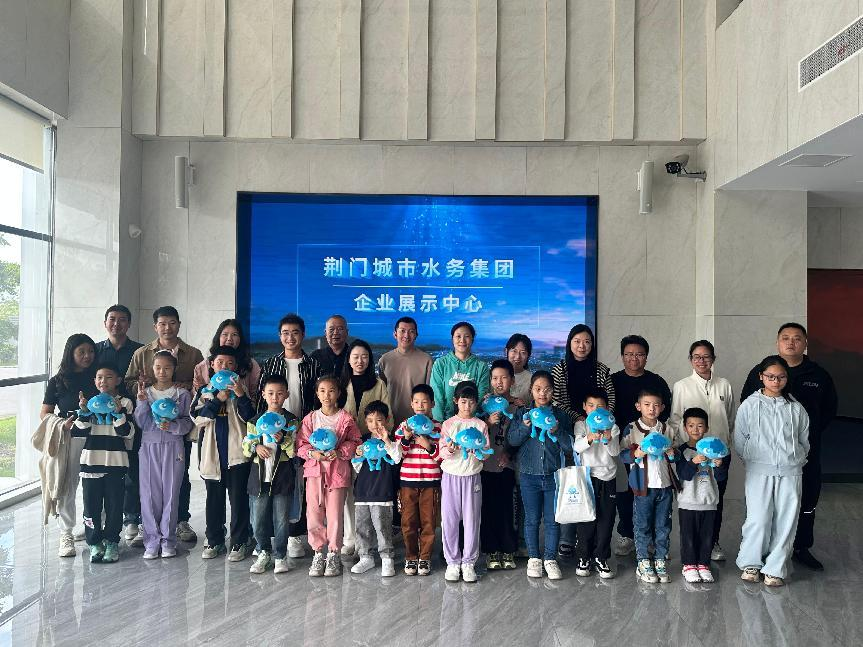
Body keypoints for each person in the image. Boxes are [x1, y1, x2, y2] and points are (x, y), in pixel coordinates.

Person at [740, 323, 837, 571]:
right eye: (785, 338)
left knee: (803, 502)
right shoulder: (760, 372)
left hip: (802, 453)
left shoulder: (818, 375)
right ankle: (759, 553)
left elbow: (829, 409)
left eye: (796, 338)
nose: (791, 342)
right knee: (761, 511)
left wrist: (803, 442)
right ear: (777, 342)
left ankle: (800, 548)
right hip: (763, 460)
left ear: (805, 343)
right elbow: (745, 416)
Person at [125, 306, 204, 544]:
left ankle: (180, 521)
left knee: (179, 477)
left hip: (177, 429)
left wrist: (185, 387)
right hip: (150, 427)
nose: (167, 328)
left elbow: (200, 383)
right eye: (162, 323)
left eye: (172, 323)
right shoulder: (142, 353)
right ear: (155, 326)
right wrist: (144, 389)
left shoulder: (193, 354)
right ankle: (146, 524)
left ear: (179, 324)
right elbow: (128, 383)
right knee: (147, 479)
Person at [736, 356, 810, 587]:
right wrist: (753, 459)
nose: (775, 381)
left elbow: (803, 440)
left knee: (786, 520)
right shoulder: (749, 405)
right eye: (770, 376)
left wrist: (795, 459)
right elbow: (740, 438)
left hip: (791, 470)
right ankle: (751, 563)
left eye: (781, 377)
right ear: (761, 377)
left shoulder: (796, 408)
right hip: (759, 470)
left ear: (787, 378)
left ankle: (775, 568)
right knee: (758, 518)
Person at [256, 313, 323, 558]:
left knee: (299, 484)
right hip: (274, 435)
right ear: (279, 336)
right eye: (285, 333)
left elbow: (319, 401)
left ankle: (295, 534)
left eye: (295, 333)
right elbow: (260, 401)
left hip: (303, 431)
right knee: (275, 483)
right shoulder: (270, 364)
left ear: (303, 335)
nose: (290, 337)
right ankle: (269, 539)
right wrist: (260, 435)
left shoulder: (313, 365)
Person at [667, 340, 736, 562]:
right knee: (691, 499)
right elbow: (676, 419)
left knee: (715, 499)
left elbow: (730, 417)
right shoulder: (681, 386)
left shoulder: (724, 385)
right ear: (690, 360)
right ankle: (692, 547)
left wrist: (725, 446)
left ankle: (712, 542)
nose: (701, 361)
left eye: (706, 356)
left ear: (713, 359)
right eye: (696, 357)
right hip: (692, 453)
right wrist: (681, 449)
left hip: (719, 454)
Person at [552, 324, 615, 557]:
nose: (582, 346)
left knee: (593, 489)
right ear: (570, 343)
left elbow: (610, 400)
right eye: (577, 341)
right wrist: (579, 418)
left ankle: (592, 540)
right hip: (569, 430)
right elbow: (557, 401)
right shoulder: (559, 369)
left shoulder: (601, 370)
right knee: (571, 483)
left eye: (587, 341)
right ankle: (568, 538)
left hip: (597, 432)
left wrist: (599, 422)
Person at [609, 335, 671, 559]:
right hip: (622, 444)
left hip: (652, 447)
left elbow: (666, 411)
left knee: (653, 491)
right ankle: (627, 534)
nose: (634, 358)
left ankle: (651, 538)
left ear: (646, 356)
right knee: (626, 491)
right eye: (629, 354)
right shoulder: (613, 381)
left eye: (639, 354)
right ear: (622, 356)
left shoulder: (656, 381)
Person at [190, 346, 255, 561]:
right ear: (212, 365)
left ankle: (239, 541)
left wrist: (240, 396)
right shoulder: (204, 391)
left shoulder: (241, 390)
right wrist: (217, 399)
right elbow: (197, 418)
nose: (224, 367)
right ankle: (214, 539)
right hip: (212, 456)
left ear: (235, 367)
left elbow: (252, 419)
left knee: (239, 500)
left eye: (229, 363)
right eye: (220, 363)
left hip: (238, 456)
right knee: (214, 501)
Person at [508, 371, 573, 581]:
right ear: (531, 390)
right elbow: (512, 441)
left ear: (553, 391)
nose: (542, 393)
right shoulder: (523, 414)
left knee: (553, 520)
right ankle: (534, 558)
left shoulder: (560, 416)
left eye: (547, 389)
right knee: (532, 519)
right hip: (529, 475)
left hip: (553, 475)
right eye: (538, 389)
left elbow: (570, 446)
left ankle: (550, 559)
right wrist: (524, 427)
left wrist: (557, 431)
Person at [40, 333, 98, 557]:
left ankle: (95, 527)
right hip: (70, 439)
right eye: (81, 352)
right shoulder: (58, 381)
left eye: (90, 351)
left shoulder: (99, 376)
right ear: (70, 353)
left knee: (97, 485)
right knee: (68, 487)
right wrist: (60, 423)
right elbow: (45, 413)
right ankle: (66, 533)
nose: (87, 356)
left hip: (97, 438)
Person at [296, 376, 361, 577]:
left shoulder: (346, 419)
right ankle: (318, 553)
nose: (327, 395)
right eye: (322, 391)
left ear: (339, 393)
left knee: (334, 515)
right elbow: (300, 444)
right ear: (317, 394)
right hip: (314, 473)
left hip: (337, 474)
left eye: (331, 390)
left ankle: (333, 554)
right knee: (314, 514)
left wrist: (340, 452)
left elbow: (356, 442)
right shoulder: (310, 419)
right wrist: (312, 453)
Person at [133, 350, 193, 559]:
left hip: (174, 447)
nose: (162, 372)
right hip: (149, 446)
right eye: (158, 367)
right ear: (152, 368)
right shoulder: (145, 393)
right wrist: (142, 403)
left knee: (171, 494)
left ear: (174, 369)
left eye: (167, 368)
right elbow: (141, 423)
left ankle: (168, 541)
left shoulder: (182, 394)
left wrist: (173, 426)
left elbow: (188, 422)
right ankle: (151, 541)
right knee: (149, 495)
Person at [75, 362, 135, 563]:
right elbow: (79, 431)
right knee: (91, 507)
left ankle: (111, 542)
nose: (103, 381)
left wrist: (118, 413)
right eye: (99, 377)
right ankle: (94, 543)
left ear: (118, 380)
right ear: (95, 381)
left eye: (109, 377)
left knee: (115, 506)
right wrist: (83, 412)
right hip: (91, 462)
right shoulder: (89, 404)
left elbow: (128, 433)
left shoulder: (125, 403)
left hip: (116, 463)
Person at [96, 305, 145, 549]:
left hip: (131, 417)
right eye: (112, 319)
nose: (117, 324)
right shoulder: (95, 350)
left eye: (122, 320)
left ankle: (131, 518)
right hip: (100, 423)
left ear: (129, 324)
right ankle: (98, 519)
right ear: (105, 322)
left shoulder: (139, 351)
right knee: (100, 470)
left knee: (132, 469)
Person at [340, 339, 394, 556]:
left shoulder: (378, 384)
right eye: (355, 356)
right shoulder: (341, 383)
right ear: (349, 359)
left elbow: (388, 415)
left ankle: (372, 541)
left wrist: (380, 436)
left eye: (364, 356)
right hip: (346, 445)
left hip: (373, 448)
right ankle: (351, 538)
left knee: (370, 493)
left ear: (370, 359)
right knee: (349, 493)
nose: (360, 361)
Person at [620, 389, 678, 584]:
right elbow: (622, 454)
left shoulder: (667, 429)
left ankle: (660, 560)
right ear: (638, 406)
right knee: (642, 525)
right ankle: (643, 561)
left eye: (656, 405)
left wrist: (672, 453)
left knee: (663, 526)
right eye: (647, 404)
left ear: (662, 407)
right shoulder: (631, 429)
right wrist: (635, 454)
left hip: (665, 486)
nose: (651, 409)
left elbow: (676, 455)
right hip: (643, 488)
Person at [244, 375, 299, 575]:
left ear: (286, 395)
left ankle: (280, 555)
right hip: (259, 477)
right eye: (271, 393)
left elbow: (293, 452)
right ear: (263, 395)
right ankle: (263, 552)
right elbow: (246, 447)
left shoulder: (291, 421)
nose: (275, 397)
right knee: (257, 519)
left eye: (279, 393)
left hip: (283, 476)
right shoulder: (254, 421)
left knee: (281, 519)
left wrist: (283, 439)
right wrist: (256, 447)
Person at [438, 380, 489, 583]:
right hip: (451, 477)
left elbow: (486, 453)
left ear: (476, 403)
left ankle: (468, 562)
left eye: (472, 402)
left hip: (472, 478)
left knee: (472, 521)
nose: (467, 406)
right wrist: (450, 449)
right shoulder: (448, 424)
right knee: (449, 520)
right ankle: (452, 562)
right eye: (463, 401)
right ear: (456, 401)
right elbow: (441, 451)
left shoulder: (481, 425)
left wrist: (478, 451)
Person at [674, 407, 729, 584]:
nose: (695, 429)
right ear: (685, 427)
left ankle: (703, 564)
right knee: (688, 535)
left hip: (709, 501)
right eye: (691, 425)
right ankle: (689, 565)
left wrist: (719, 465)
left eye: (700, 425)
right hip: (688, 501)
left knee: (707, 536)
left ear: (706, 428)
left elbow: (721, 477)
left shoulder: (715, 448)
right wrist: (694, 462)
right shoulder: (682, 450)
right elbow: (683, 474)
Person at [572, 387, 620, 579]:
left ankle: (601, 557)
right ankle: (583, 558)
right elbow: (577, 447)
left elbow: (615, 453)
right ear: (585, 407)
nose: (595, 410)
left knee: (606, 519)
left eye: (600, 406)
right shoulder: (581, 425)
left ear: (607, 408)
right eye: (591, 405)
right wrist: (590, 437)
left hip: (608, 477)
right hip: (587, 477)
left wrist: (608, 438)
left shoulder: (613, 426)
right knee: (586, 519)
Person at [350, 401, 402, 577]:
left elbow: (396, 458)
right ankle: (366, 557)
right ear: (365, 421)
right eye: (370, 420)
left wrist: (386, 440)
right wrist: (357, 455)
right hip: (363, 492)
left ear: (387, 420)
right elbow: (357, 468)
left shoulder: (391, 441)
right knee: (362, 526)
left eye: (379, 420)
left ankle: (387, 558)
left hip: (382, 492)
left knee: (383, 527)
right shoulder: (363, 441)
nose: (375, 424)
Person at [396, 384, 442, 576]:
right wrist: (406, 438)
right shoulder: (404, 426)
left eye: (425, 402)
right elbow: (397, 455)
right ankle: (411, 557)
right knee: (408, 522)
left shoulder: (439, 427)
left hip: (431, 482)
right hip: (408, 482)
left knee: (429, 522)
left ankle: (425, 557)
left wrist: (428, 445)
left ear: (432, 404)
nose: (420, 405)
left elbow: (442, 457)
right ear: (411, 404)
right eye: (416, 402)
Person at [479, 360, 518, 571]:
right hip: (485, 466)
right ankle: (491, 550)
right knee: (487, 509)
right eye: (495, 378)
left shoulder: (517, 407)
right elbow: (473, 431)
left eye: (504, 377)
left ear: (512, 380)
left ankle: (508, 549)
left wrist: (509, 453)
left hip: (506, 467)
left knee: (506, 509)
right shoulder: (483, 406)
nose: (499, 382)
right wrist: (487, 423)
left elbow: (522, 436)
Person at [377, 317, 433, 427]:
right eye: (402, 331)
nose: (406, 335)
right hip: (390, 420)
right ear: (395, 334)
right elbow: (381, 392)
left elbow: (430, 392)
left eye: (411, 331)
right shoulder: (385, 360)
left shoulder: (426, 360)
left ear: (416, 335)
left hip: (419, 422)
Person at [192, 318, 261, 407]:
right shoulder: (202, 366)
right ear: (218, 337)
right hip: (210, 413)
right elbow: (197, 398)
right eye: (225, 334)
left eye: (234, 335)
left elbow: (256, 395)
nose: (229, 339)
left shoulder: (251, 364)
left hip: (239, 413)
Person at [430, 322, 490, 421]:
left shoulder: (481, 367)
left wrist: (468, 420)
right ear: (452, 339)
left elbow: (480, 397)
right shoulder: (440, 364)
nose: (462, 340)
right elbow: (437, 397)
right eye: (458, 336)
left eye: (467, 336)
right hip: (446, 422)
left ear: (472, 339)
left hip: (473, 422)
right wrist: (439, 423)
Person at [505, 334, 534, 405]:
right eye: (514, 351)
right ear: (506, 351)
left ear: (528, 355)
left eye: (523, 352)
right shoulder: (495, 375)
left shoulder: (532, 380)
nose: (518, 356)